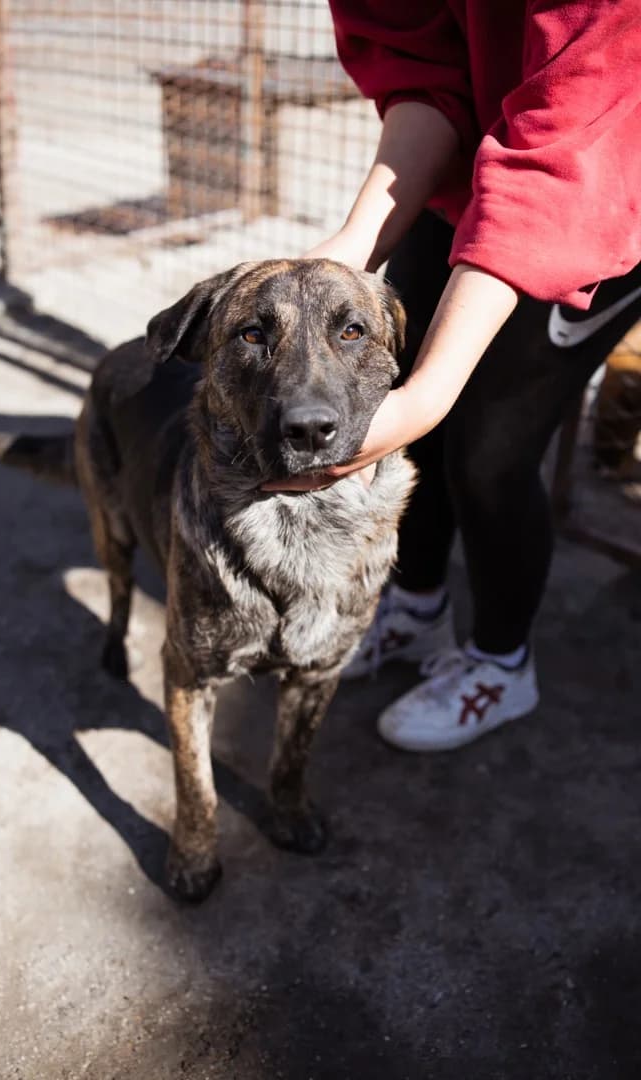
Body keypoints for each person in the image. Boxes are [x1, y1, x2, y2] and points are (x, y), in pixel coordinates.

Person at [265, 1, 641, 751]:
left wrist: (427, 399)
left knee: (489, 449)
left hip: (602, 182)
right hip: (478, 173)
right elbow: (425, 71)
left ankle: (503, 662)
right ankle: (417, 609)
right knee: (401, 402)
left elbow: (570, 132)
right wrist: (349, 249)